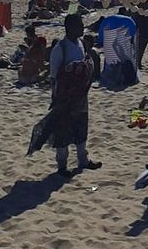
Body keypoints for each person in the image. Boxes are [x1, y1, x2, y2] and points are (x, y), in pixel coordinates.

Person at [48, 13, 101, 175]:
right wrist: (55, 97)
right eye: (79, 24)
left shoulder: (81, 44)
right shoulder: (60, 48)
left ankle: (83, 160)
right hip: (65, 97)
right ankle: (62, 166)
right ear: (69, 28)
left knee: (81, 127)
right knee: (63, 131)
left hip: (80, 95)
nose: (82, 27)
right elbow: (53, 76)